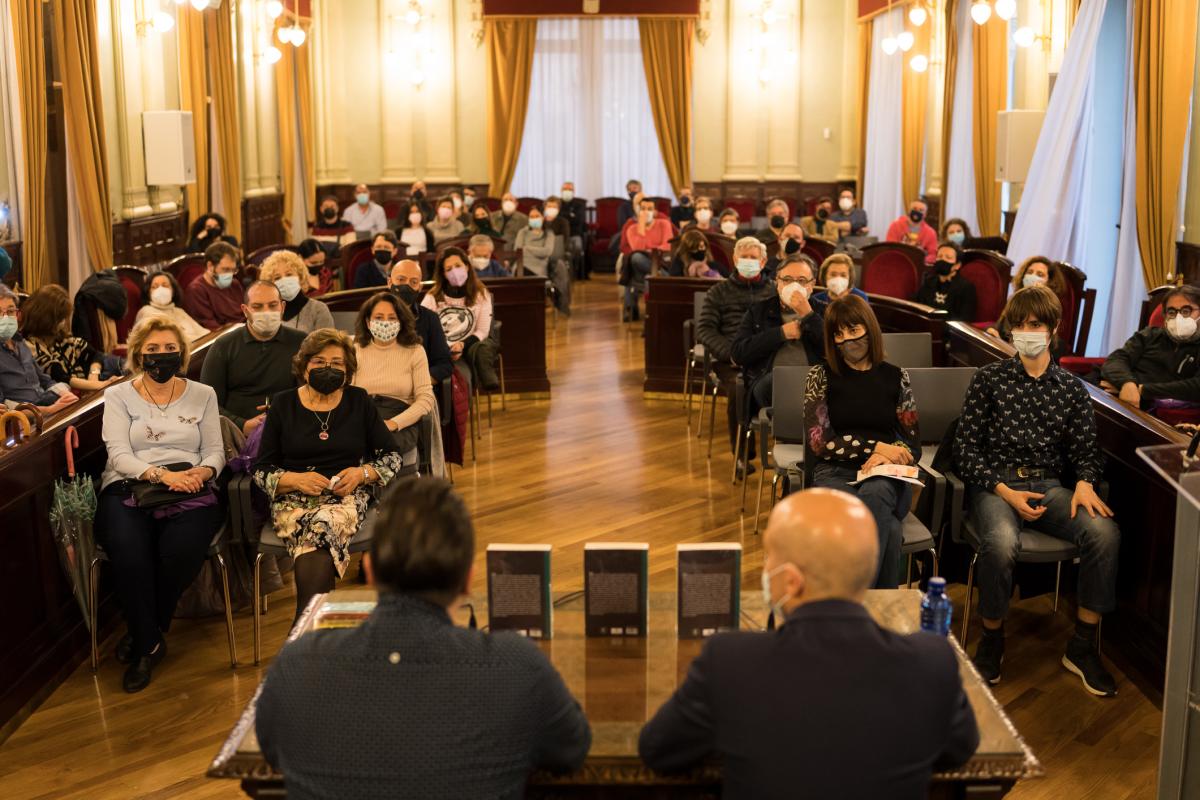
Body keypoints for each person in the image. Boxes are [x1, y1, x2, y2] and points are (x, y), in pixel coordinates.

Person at [256, 478, 591, 798]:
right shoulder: (518, 667)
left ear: (370, 571)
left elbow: (271, 750)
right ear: (467, 579)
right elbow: (572, 749)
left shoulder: (297, 666)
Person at [640, 487, 978, 798]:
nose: (764, 565)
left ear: (792, 581)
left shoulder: (728, 661)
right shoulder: (931, 662)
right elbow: (960, 749)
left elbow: (658, 749)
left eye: (769, 555)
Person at [955, 285, 1120, 695]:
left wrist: (1083, 482)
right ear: (1009, 329)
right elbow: (964, 448)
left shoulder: (1070, 389)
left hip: (1048, 485)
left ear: (1053, 329)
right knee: (1000, 541)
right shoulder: (988, 379)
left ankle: (1082, 646)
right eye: (1020, 325)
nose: (1027, 331)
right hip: (996, 484)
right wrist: (1004, 491)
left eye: (1036, 324)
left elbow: (1086, 452)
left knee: (1104, 534)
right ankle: (992, 638)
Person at [97, 317, 225, 692]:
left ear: (182, 353)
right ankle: (149, 644)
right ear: (138, 354)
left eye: (169, 349)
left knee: (182, 552)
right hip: (128, 485)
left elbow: (214, 450)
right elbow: (119, 454)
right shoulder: (118, 395)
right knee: (129, 553)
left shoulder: (203, 393)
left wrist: (202, 473)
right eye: (152, 350)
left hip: (190, 485)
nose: (161, 356)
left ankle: (144, 630)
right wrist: (161, 475)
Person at [253, 329, 403, 620]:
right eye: (319, 362)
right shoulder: (283, 404)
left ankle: (304, 631)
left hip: (345, 498)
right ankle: (311, 632)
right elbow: (261, 469)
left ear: (348, 369)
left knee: (321, 529)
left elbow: (392, 457)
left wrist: (363, 473)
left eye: (337, 363)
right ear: (304, 365)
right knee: (319, 538)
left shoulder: (358, 401)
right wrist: (294, 479)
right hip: (292, 500)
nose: (328, 369)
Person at [803, 295, 919, 589]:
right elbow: (819, 442)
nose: (845, 340)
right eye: (838, 334)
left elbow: (912, 443)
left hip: (886, 474)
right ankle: (879, 612)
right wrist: (874, 447)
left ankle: (852, 597)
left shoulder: (897, 377)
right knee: (890, 530)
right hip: (834, 473)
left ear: (869, 328)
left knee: (877, 492)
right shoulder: (821, 376)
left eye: (853, 331)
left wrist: (889, 456)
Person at [696, 237, 777, 474]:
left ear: (763, 262)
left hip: (766, 360)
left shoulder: (774, 291)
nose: (748, 262)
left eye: (753, 258)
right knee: (738, 388)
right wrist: (730, 354)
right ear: (734, 259)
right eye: (744, 257)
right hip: (730, 361)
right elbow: (704, 330)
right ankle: (742, 455)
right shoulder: (718, 292)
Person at [199, 281, 306, 438]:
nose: (266, 312)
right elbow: (206, 402)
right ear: (245, 310)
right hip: (236, 436)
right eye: (257, 307)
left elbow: (312, 393)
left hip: (291, 429)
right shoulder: (223, 346)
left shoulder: (302, 343)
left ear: (282, 307)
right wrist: (242, 425)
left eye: (272, 305)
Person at [731, 254, 825, 416]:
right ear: (777, 283)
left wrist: (809, 315)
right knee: (777, 382)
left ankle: (800, 430)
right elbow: (738, 353)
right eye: (787, 279)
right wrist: (780, 333)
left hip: (816, 384)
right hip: (770, 384)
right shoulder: (758, 311)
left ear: (812, 285)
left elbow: (836, 351)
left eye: (802, 280)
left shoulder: (825, 311)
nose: (794, 285)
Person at [352, 292, 435, 444]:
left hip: (400, 421)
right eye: (378, 317)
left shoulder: (415, 351)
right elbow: (346, 395)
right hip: (362, 418)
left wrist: (394, 423)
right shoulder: (355, 350)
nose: (385, 322)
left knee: (384, 447)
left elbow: (426, 399)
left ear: (401, 322)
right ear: (368, 322)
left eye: (392, 318)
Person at [1100, 285, 1200, 408]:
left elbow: (1196, 386)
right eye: (1171, 312)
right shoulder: (1150, 334)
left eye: (1186, 311)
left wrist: (1141, 390)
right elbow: (1116, 359)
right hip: (1110, 388)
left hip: (1148, 404)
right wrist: (1127, 384)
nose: (1178, 318)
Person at [422, 247, 501, 391]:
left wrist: (462, 345)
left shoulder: (481, 294)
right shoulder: (432, 296)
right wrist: (443, 349)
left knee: (462, 382)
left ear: (467, 266)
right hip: (438, 352)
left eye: (458, 266)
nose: (454, 271)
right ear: (443, 274)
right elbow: (422, 328)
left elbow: (482, 331)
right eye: (448, 269)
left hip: (467, 348)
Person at [20, 284, 123, 392]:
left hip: (92, 378)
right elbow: (62, 378)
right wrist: (99, 385)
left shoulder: (60, 337)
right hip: (74, 390)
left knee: (120, 364)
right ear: (47, 318)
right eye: (61, 318)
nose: (64, 322)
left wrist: (94, 375)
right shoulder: (32, 346)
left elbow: (95, 355)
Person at [0, 285, 80, 414]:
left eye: (10, 311)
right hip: (25, 420)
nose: (5, 318)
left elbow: (45, 380)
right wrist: (46, 411)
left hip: (47, 403)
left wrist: (64, 394)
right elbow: (4, 406)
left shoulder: (21, 343)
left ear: (17, 314)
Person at [390, 260, 454, 383]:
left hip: (419, 387)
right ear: (389, 282)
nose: (406, 286)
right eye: (401, 280)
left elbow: (444, 364)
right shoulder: (374, 316)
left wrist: (419, 383)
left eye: (413, 282)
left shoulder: (430, 318)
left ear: (419, 287)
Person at [618, 195, 674, 320]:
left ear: (654, 212)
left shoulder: (664, 224)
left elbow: (667, 246)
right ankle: (660, 276)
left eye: (649, 209)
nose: (646, 212)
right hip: (644, 263)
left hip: (660, 262)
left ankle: (632, 308)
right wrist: (641, 226)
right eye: (643, 208)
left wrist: (649, 251)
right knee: (636, 258)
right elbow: (637, 248)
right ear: (638, 210)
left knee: (645, 275)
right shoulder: (632, 229)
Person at [258, 250, 335, 333]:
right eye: (277, 278)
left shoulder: (318, 310)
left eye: (289, 274)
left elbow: (328, 345)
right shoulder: (266, 313)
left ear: (300, 277)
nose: (284, 280)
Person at [185, 242, 245, 330]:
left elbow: (246, 312)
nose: (230, 275)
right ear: (210, 266)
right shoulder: (196, 290)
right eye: (225, 269)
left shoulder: (234, 284)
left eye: (233, 270)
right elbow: (211, 327)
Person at [135, 272, 210, 342]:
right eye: (155, 287)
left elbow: (203, 332)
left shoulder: (178, 311)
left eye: (165, 285)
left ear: (173, 290)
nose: (160, 290)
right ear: (148, 292)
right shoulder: (146, 311)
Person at [913, 241, 976, 321]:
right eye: (939, 256)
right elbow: (916, 305)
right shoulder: (929, 281)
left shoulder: (966, 288)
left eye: (948, 258)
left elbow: (965, 320)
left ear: (957, 265)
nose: (942, 260)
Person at [886, 199, 939, 263]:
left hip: (918, 265)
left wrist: (922, 260)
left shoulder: (931, 233)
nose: (917, 212)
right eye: (914, 208)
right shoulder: (895, 225)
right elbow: (889, 246)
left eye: (921, 210)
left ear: (925, 215)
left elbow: (933, 254)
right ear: (909, 210)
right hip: (896, 262)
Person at [514, 204, 557, 280]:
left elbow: (547, 251)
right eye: (531, 217)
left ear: (543, 218)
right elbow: (518, 250)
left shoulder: (549, 234)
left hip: (539, 266)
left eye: (537, 216)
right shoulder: (522, 232)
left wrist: (527, 248)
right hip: (521, 264)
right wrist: (538, 251)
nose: (534, 219)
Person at [560, 181, 588, 276]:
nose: (567, 191)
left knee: (577, 247)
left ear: (574, 191)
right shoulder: (557, 203)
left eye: (570, 189)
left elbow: (579, 220)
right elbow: (558, 220)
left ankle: (574, 270)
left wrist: (564, 217)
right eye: (565, 189)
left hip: (575, 234)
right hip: (559, 234)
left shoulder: (579, 204)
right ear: (561, 191)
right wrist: (570, 216)